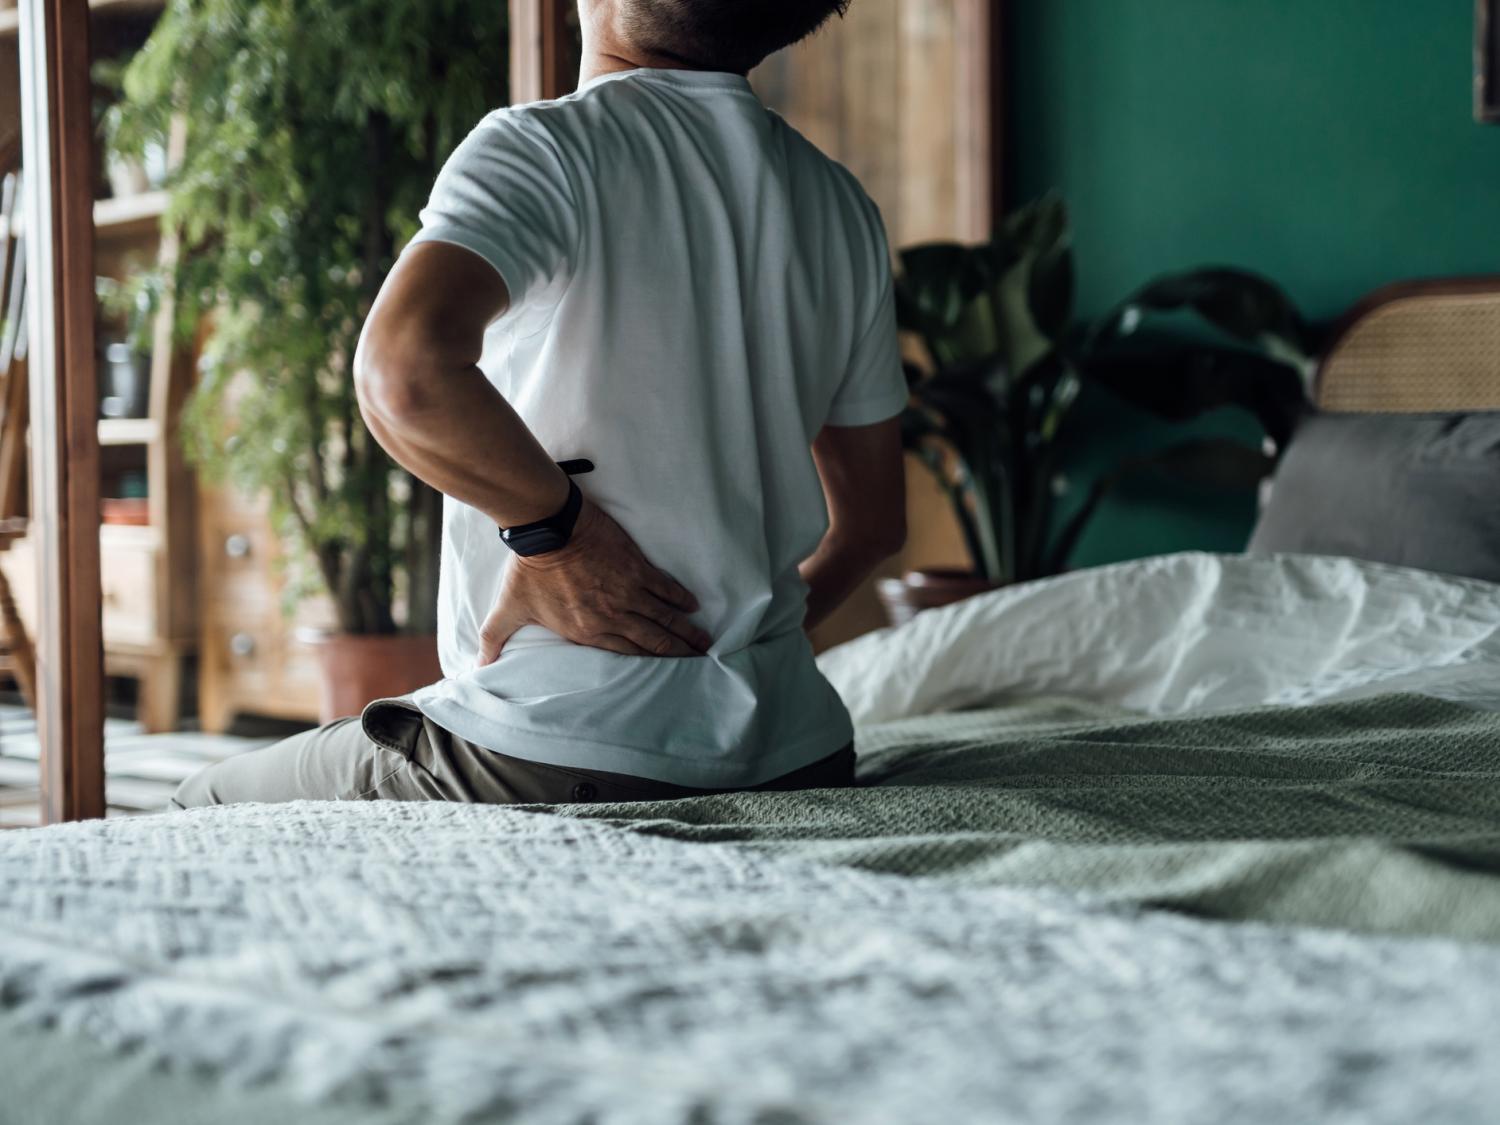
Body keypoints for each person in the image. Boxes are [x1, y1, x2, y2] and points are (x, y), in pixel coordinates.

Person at [172, 0, 907, 809]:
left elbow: (403, 375)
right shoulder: (843, 208)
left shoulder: (549, 148)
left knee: (194, 804)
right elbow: (872, 524)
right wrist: (735, 654)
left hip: (560, 746)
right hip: (798, 752)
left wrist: (560, 539)